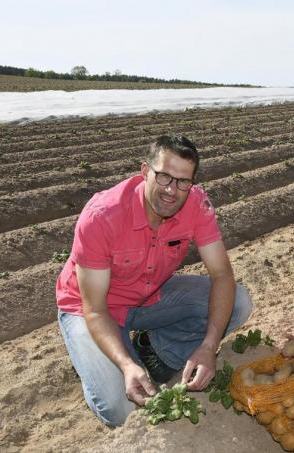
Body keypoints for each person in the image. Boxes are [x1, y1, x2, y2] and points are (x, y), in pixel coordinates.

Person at [55, 134, 252, 427]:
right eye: (164, 177)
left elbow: (222, 275)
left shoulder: (196, 204)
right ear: (145, 171)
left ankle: (155, 351)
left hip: (149, 296)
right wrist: (125, 365)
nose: (172, 190)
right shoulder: (102, 216)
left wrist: (209, 347)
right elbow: (94, 309)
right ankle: (101, 362)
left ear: (193, 183)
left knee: (238, 302)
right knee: (121, 409)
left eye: (183, 181)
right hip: (93, 309)